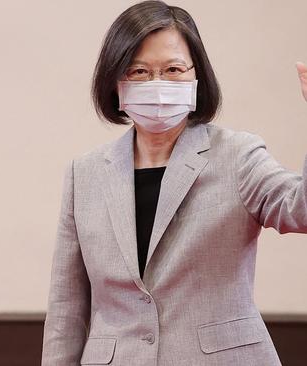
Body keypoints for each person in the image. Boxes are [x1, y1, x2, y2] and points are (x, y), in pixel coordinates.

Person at [42, 1, 307, 365]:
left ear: (197, 76)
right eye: (138, 71)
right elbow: (66, 309)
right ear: (115, 81)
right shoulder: (84, 174)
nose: (158, 84)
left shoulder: (238, 156)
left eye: (173, 69)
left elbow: (301, 210)